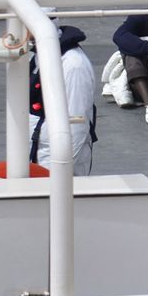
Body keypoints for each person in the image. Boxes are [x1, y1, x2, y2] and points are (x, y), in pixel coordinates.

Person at [29, 13, 98, 175]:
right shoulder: (38, 56)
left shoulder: (73, 65)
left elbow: (77, 123)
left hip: (57, 158)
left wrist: (60, 171)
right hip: (37, 150)